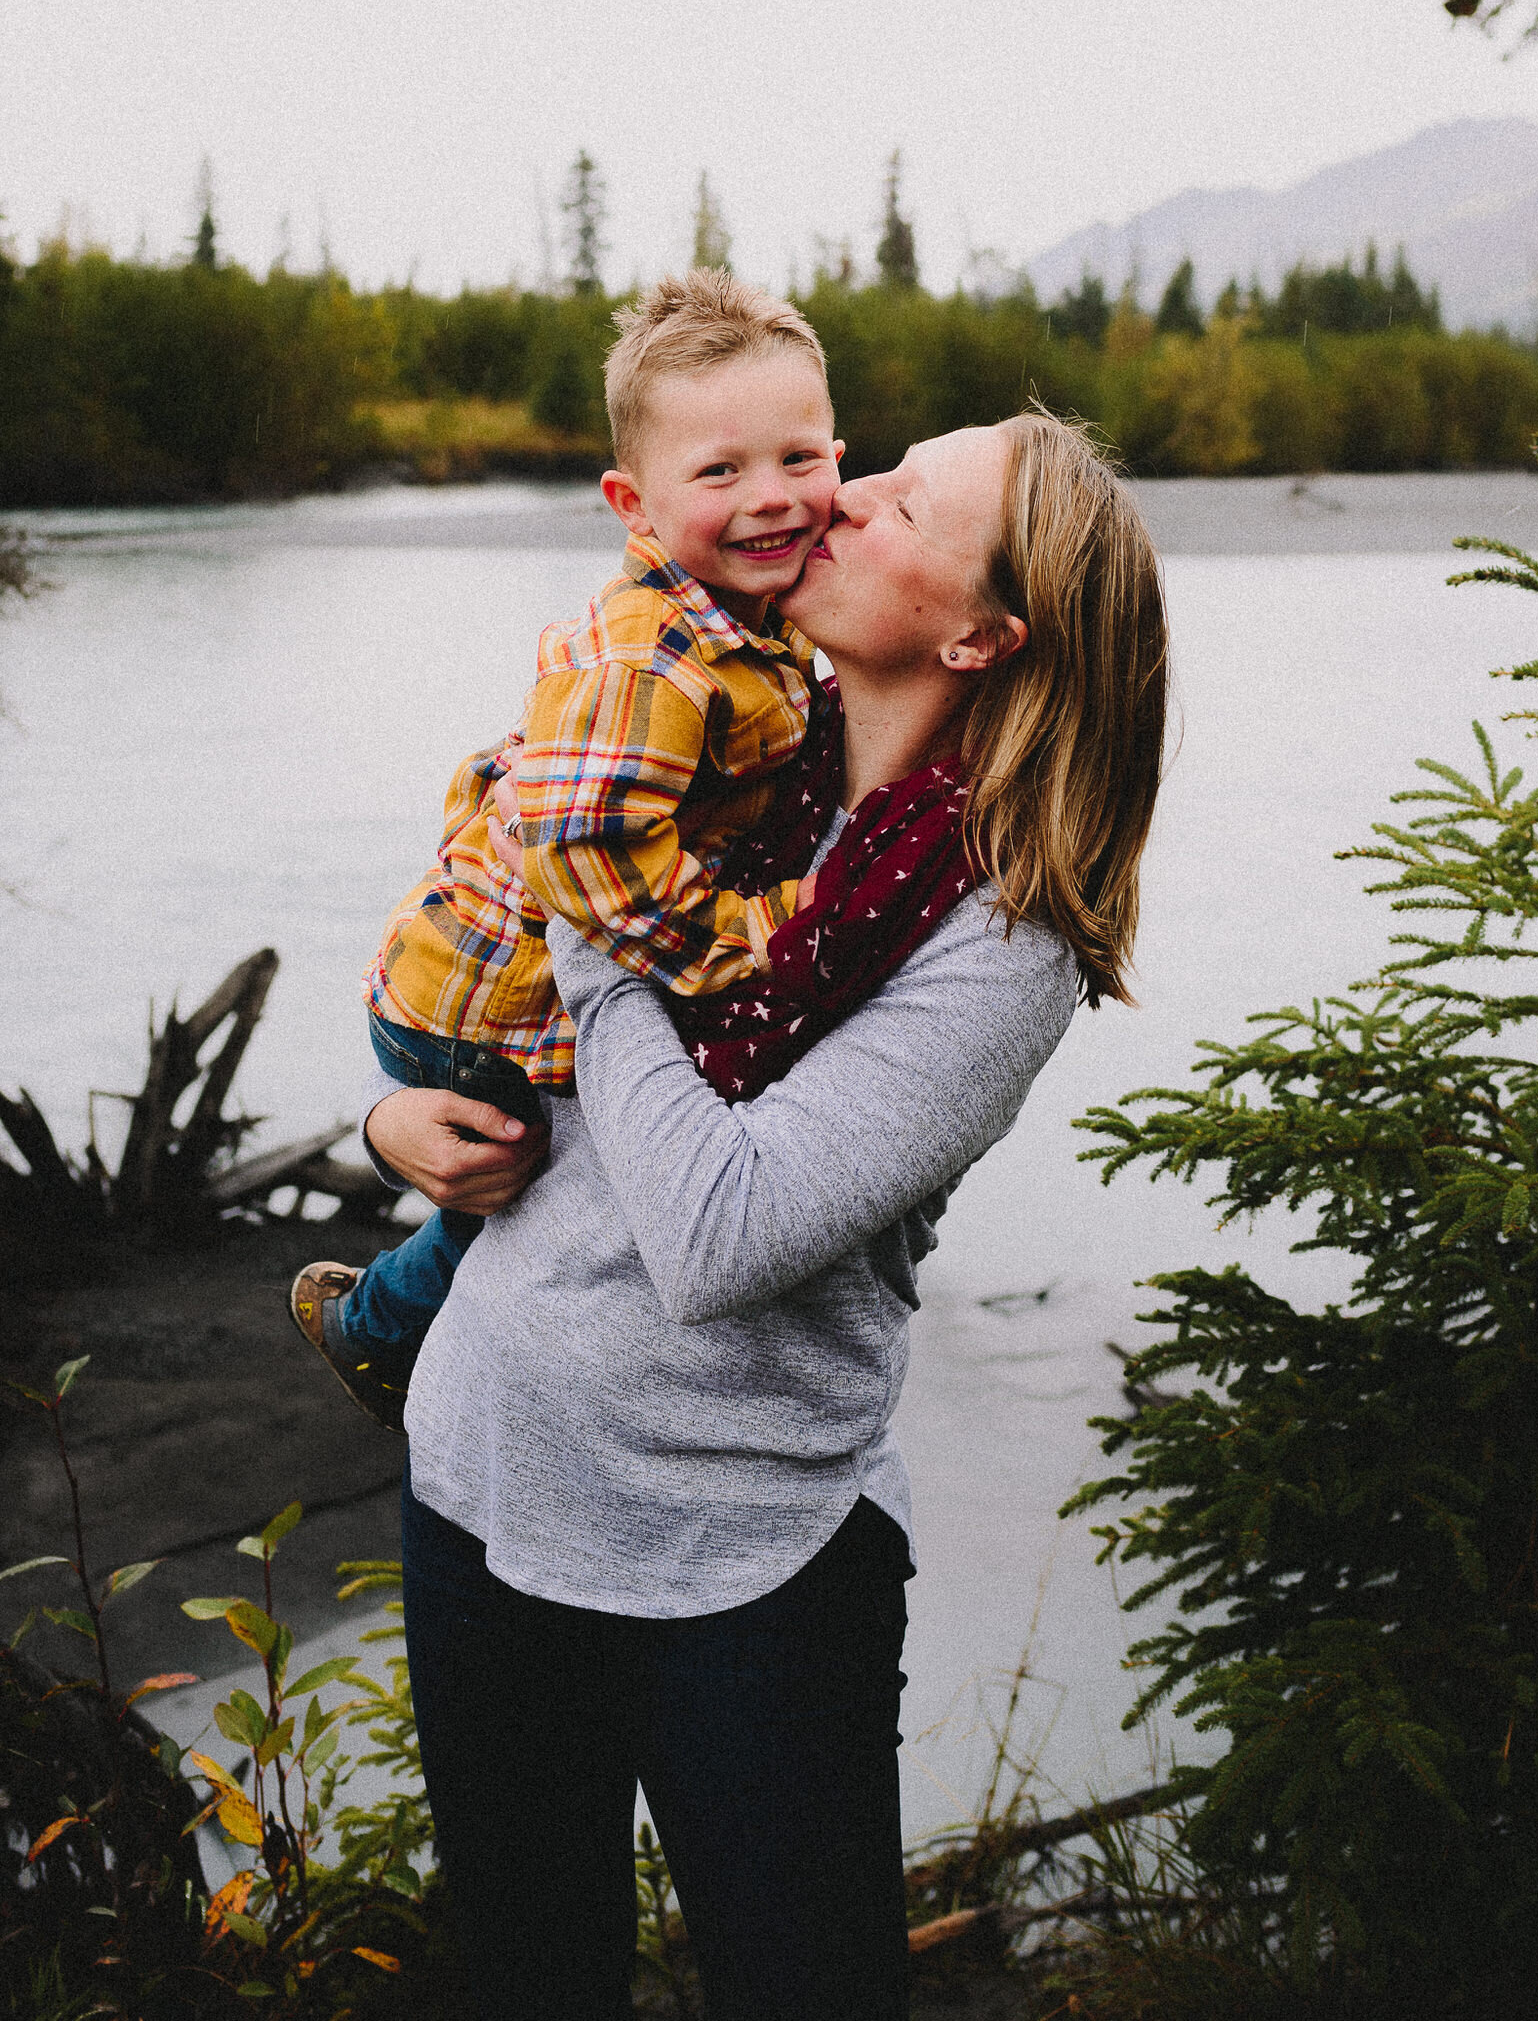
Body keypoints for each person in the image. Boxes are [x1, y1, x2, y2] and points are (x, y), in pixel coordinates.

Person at [363, 409, 1170, 2021]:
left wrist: (596, 916)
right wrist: (391, 1116)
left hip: (746, 1558)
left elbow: (716, 1235)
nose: (833, 500)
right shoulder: (709, 741)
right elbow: (473, 939)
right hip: (482, 1481)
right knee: (532, 1980)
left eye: (896, 501)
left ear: (981, 631)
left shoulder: (997, 932)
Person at [290, 268, 844, 1423]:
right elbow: (584, 845)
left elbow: (509, 779)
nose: (773, 497)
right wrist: (744, 955)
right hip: (480, 1015)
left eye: (801, 457)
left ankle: (380, 1321)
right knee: (525, 1185)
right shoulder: (649, 658)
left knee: (506, 1193)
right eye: (720, 471)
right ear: (632, 505)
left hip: (482, 973)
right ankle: (379, 1331)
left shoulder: (747, 622)